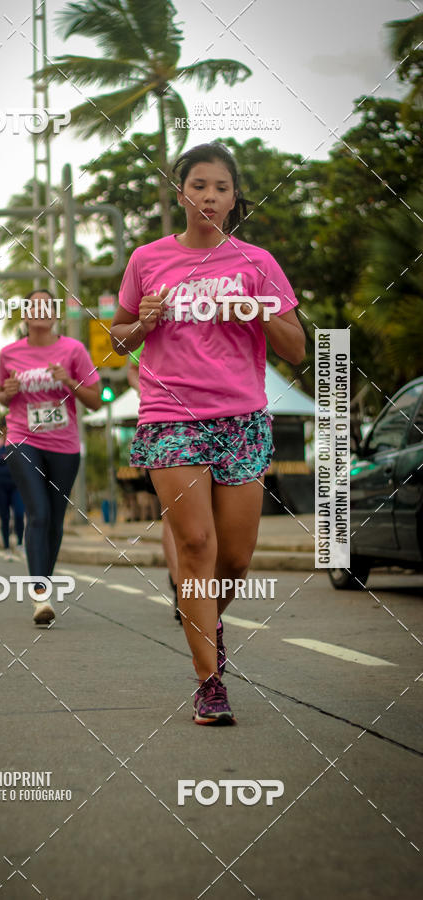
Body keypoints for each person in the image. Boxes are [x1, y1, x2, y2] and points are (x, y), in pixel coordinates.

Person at [111, 142, 305, 726]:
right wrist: (143, 320)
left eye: (220, 187)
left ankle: (208, 625)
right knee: (195, 547)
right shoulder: (148, 259)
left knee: (236, 560)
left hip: (242, 419)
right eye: (198, 186)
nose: (210, 197)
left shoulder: (257, 263)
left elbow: (296, 349)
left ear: (233, 196)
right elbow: (118, 339)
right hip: (171, 418)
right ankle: (208, 681)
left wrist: (258, 308)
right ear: (181, 194)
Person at [0, 289, 102, 626]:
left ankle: (43, 581)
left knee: (55, 520)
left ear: (55, 314)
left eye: (47, 305)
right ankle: (40, 596)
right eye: (34, 306)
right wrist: (7, 393)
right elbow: (1, 395)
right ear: (25, 315)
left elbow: (96, 401)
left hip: (64, 446)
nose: (41, 310)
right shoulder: (9, 353)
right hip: (21, 440)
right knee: (38, 514)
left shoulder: (74, 350)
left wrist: (68, 381)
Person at [128, 345, 180, 622]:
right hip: (164, 425)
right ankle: (181, 587)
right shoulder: (153, 310)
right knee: (172, 514)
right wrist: (146, 389)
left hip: (217, 419)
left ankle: (201, 585)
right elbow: (131, 369)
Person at [0, 417, 25, 561]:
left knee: (20, 514)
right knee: (5, 518)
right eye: (7, 427)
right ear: (2, 429)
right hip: (0, 486)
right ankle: (7, 548)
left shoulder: (20, 445)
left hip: (17, 486)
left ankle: (20, 544)